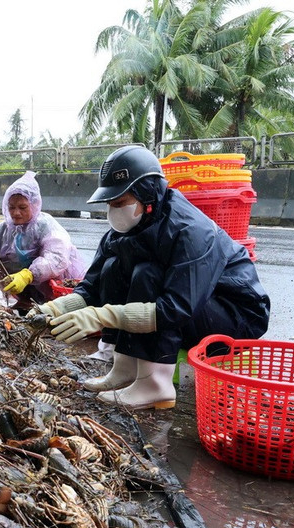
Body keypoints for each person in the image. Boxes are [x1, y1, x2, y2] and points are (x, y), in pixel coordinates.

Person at [33, 145, 271, 410]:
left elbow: (177, 308)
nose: (114, 210)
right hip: (191, 307)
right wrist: (51, 310)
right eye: (110, 203)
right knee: (113, 267)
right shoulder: (124, 230)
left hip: (234, 317)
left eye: (120, 202)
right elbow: (93, 285)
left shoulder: (191, 231)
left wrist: (102, 316)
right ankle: (124, 368)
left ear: (147, 195)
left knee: (150, 275)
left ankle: (155, 385)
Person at [0, 171, 86, 311]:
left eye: (22, 208)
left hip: (53, 290)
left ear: (34, 205)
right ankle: (23, 302)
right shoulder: (3, 230)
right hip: (20, 289)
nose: (16, 213)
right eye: (11, 207)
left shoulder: (46, 225)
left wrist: (28, 275)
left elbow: (57, 257)